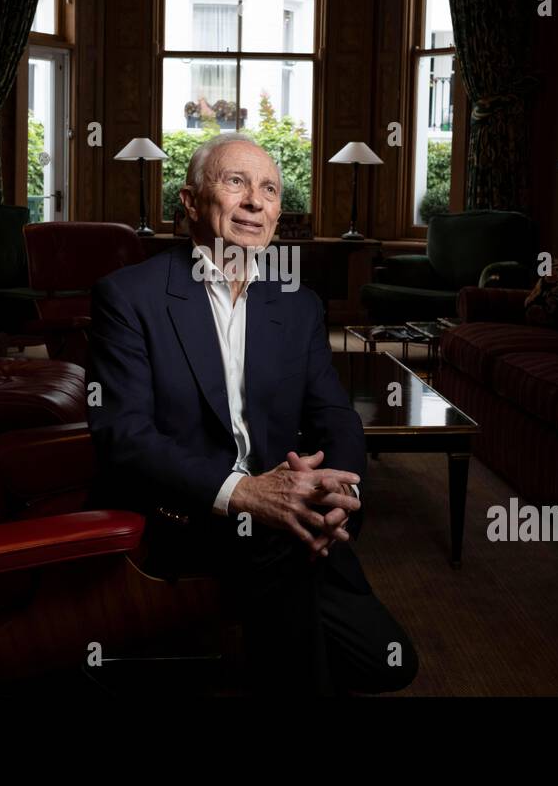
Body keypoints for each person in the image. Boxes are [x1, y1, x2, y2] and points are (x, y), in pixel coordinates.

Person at [86, 132, 418, 695]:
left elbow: (336, 415)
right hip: (187, 509)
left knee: (387, 664)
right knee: (277, 548)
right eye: (234, 181)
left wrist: (341, 499)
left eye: (268, 189)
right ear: (191, 202)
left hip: (292, 508)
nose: (254, 202)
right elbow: (124, 435)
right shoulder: (129, 297)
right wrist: (245, 495)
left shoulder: (297, 302)